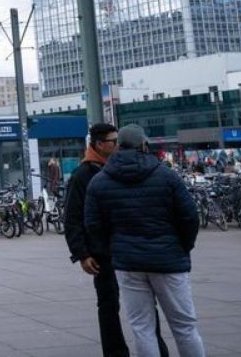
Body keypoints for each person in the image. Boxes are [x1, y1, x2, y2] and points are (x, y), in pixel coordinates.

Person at [85, 124, 204, 357]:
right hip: (168, 260)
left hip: (128, 263)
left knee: (142, 328)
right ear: (143, 144)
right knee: (184, 327)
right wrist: (182, 246)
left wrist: (113, 249)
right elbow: (190, 217)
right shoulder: (167, 176)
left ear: (119, 145)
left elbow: (92, 224)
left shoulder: (100, 181)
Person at [65, 123, 169, 357]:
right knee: (109, 305)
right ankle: (115, 352)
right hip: (102, 253)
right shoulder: (83, 175)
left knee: (145, 306)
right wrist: (82, 253)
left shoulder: (123, 168)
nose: (118, 145)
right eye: (114, 141)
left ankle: (158, 350)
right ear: (100, 144)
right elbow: (72, 218)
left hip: (130, 248)